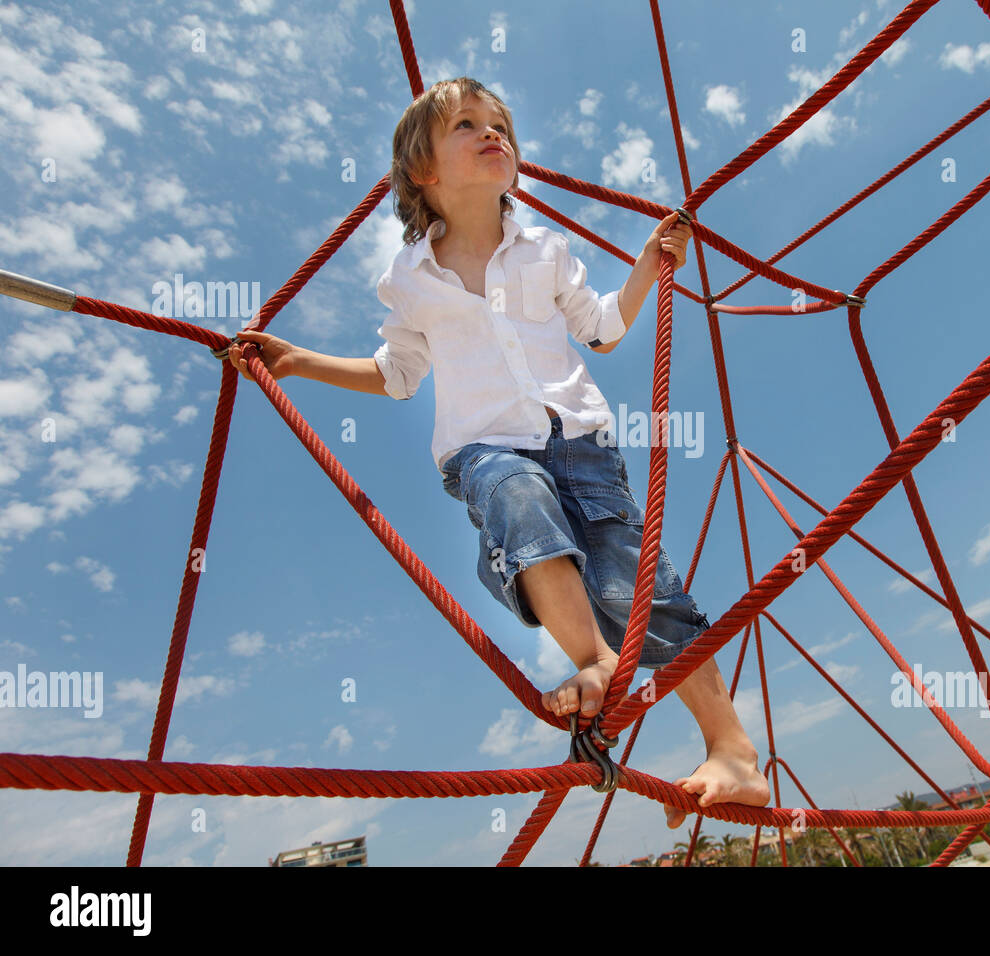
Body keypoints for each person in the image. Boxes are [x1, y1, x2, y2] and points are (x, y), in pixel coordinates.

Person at [225, 76, 768, 828]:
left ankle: (734, 751)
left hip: (581, 442)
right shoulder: (408, 279)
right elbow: (397, 374)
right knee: (518, 499)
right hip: (484, 446)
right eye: (468, 125)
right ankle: (593, 664)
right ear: (423, 172)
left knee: (636, 591)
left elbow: (603, 328)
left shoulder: (545, 250)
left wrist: (648, 264)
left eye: (500, 125)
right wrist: (299, 361)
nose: (493, 134)